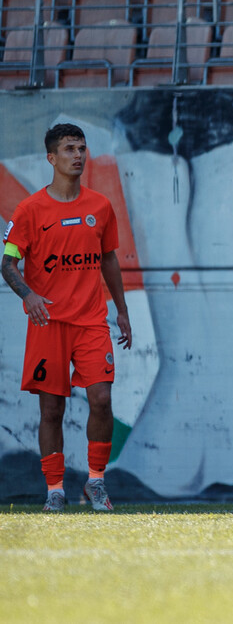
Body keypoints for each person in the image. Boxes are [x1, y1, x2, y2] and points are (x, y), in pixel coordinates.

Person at [1, 123, 133, 512]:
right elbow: (8, 264)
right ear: (51, 158)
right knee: (52, 409)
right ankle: (55, 489)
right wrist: (30, 294)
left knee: (102, 399)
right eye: (69, 149)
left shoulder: (99, 207)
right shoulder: (29, 210)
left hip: (92, 322)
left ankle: (95, 482)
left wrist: (121, 311)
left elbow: (109, 258)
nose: (78, 155)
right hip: (48, 324)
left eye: (82, 148)